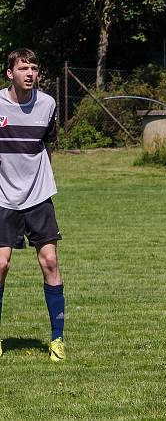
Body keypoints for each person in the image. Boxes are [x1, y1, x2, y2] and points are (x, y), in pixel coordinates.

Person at [0, 48, 65, 362]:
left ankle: (57, 339)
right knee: (1, 265)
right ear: (10, 73)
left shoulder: (48, 104)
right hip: (3, 199)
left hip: (38, 197)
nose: (30, 73)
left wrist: (44, 183)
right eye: (23, 68)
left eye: (34, 68)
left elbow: (46, 146)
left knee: (50, 262)